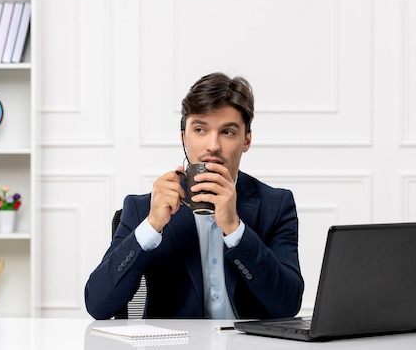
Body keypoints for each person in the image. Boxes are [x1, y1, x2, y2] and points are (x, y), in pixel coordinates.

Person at [84, 72, 304, 319]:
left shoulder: (276, 205)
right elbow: (98, 305)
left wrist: (235, 229)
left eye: (228, 132)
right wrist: (151, 226)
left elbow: (287, 304)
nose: (213, 145)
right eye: (200, 129)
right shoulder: (142, 207)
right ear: (183, 137)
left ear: (247, 140)